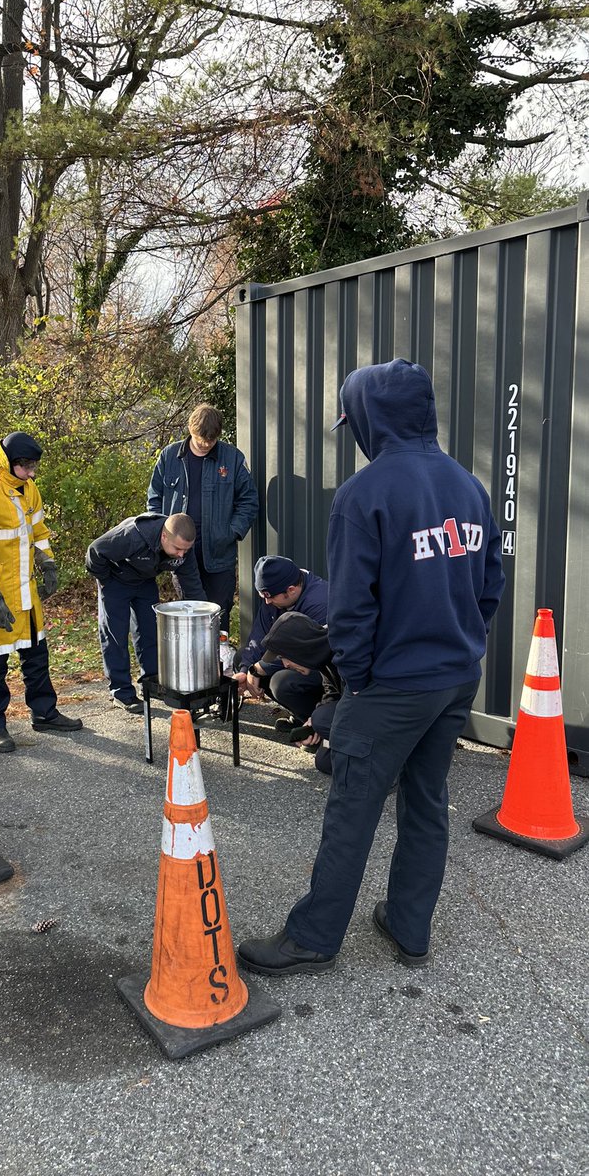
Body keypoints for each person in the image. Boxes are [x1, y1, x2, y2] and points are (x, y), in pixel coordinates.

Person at [239, 358, 504, 976]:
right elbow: (490, 584)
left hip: (391, 686)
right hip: (455, 678)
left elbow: (353, 609)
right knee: (425, 800)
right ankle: (411, 927)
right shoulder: (469, 486)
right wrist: (465, 643)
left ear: (365, 418)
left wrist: (357, 683)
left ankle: (312, 938)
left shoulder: (364, 494)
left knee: (352, 808)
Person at [0, 432, 83, 754]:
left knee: (36, 655)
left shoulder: (27, 488)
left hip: (25, 593)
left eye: (34, 468)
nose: (32, 474)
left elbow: (38, 530)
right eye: (27, 468)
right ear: (10, 463)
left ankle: (44, 712)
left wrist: (49, 563)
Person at [147, 403, 259, 632]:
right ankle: (192, 663)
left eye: (211, 440)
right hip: (180, 553)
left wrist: (231, 533)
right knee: (189, 611)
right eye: (201, 440)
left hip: (218, 554)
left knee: (219, 612)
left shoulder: (233, 459)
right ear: (190, 430)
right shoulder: (170, 456)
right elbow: (154, 499)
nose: (206, 444)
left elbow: (249, 501)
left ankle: (220, 662)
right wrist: (163, 536)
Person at [86, 512, 206, 711]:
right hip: (115, 580)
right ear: (164, 536)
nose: (181, 555)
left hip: (145, 581)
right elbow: (94, 552)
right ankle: (121, 692)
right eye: (177, 549)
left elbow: (191, 583)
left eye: (185, 550)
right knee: (115, 634)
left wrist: (203, 616)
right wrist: (107, 580)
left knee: (150, 631)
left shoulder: (183, 549)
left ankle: (150, 684)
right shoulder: (132, 535)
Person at [233, 555, 329, 720]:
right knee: (242, 657)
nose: (267, 602)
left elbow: (304, 651)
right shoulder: (275, 591)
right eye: (263, 597)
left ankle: (315, 723)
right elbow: (259, 636)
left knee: (282, 683)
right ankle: (299, 715)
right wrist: (246, 670)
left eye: (270, 597)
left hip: (323, 668)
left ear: (291, 590)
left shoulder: (319, 602)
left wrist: (258, 669)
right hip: (293, 656)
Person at [257, 611, 343, 775]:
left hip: (377, 708)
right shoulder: (321, 654)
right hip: (355, 707)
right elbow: (331, 692)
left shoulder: (343, 649)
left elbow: (358, 697)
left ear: (299, 648)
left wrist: (322, 721)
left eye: (284, 657)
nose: (285, 664)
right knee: (324, 762)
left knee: (322, 718)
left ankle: (388, 758)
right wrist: (314, 724)